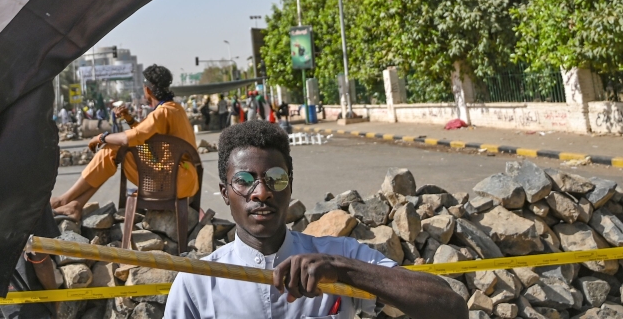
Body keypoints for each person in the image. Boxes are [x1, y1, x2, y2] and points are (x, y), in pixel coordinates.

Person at [163, 121, 467, 319]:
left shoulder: (341, 256)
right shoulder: (197, 282)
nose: (261, 193)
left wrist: (343, 271)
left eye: (276, 179)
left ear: (290, 187)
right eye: (244, 180)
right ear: (225, 193)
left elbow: (451, 308)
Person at [50, 65, 199, 222]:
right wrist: (129, 119)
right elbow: (146, 138)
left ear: (147, 90)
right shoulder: (174, 109)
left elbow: (130, 138)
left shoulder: (162, 112)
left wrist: (102, 137)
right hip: (183, 179)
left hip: (172, 181)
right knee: (113, 151)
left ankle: (65, 200)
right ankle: (75, 205)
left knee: (113, 148)